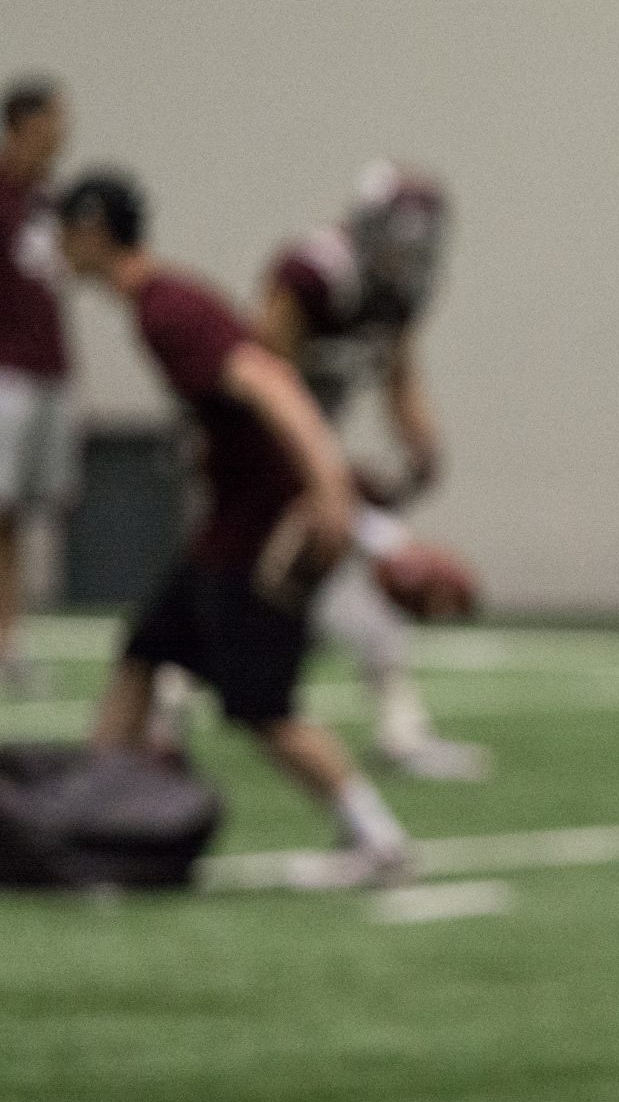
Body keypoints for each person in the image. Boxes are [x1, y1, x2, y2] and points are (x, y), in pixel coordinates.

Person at [55, 171, 412, 888]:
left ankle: (377, 838)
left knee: (259, 702)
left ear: (92, 233)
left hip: (259, 523)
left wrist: (329, 489)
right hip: (230, 519)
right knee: (145, 647)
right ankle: (84, 821)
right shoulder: (159, 301)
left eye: (66, 233)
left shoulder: (165, 307)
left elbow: (272, 382)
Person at [255, 162, 484, 779]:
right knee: (236, 590)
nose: (410, 256)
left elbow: (398, 372)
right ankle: (398, 733)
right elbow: (264, 377)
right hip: (259, 449)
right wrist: (317, 471)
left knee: (325, 588)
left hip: (312, 453)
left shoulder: (396, 291)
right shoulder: (313, 275)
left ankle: (400, 731)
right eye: (400, 241)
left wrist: (420, 442)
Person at [0, 77, 76, 695]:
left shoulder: (47, 203)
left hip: (47, 372)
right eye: (54, 121)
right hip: (6, 375)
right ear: (23, 125)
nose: (63, 134)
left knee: (19, 515)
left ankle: (10, 636)